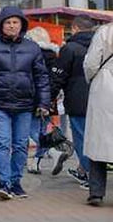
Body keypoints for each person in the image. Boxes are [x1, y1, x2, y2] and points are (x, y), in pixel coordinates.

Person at [0, 7, 51, 201]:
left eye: (15, 22)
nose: (11, 25)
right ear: (1, 25)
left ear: (22, 25)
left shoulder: (32, 48)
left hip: (25, 106)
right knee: (2, 144)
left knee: (20, 145)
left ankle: (16, 181)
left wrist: (43, 102)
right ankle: (4, 182)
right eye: (8, 22)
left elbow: (42, 77)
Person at [53, 16, 95, 186]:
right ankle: (83, 170)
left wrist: (50, 97)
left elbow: (58, 77)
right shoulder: (102, 46)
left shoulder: (70, 48)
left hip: (77, 100)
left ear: (75, 28)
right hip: (101, 99)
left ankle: (90, 174)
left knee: (81, 137)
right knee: (97, 137)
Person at [83, 21, 113, 206]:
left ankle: (96, 191)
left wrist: (92, 79)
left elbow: (91, 63)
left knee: (98, 142)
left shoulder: (105, 31)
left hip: (105, 87)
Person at [24, 26, 61, 174]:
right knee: (43, 130)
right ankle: (36, 163)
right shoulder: (53, 55)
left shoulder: (32, 54)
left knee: (32, 130)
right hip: (49, 97)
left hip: (33, 96)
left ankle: (53, 151)